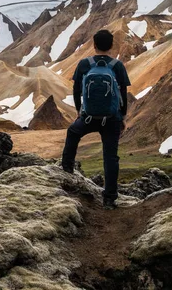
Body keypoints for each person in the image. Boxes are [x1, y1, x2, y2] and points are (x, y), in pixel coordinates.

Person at [61, 29, 131, 210]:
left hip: (89, 116)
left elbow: (76, 90)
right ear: (111, 46)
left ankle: (67, 170)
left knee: (73, 132)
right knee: (110, 156)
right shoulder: (117, 66)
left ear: (94, 45)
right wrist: (122, 116)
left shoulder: (85, 64)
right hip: (112, 118)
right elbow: (123, 93)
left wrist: (79, 111)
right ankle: (109, 199)